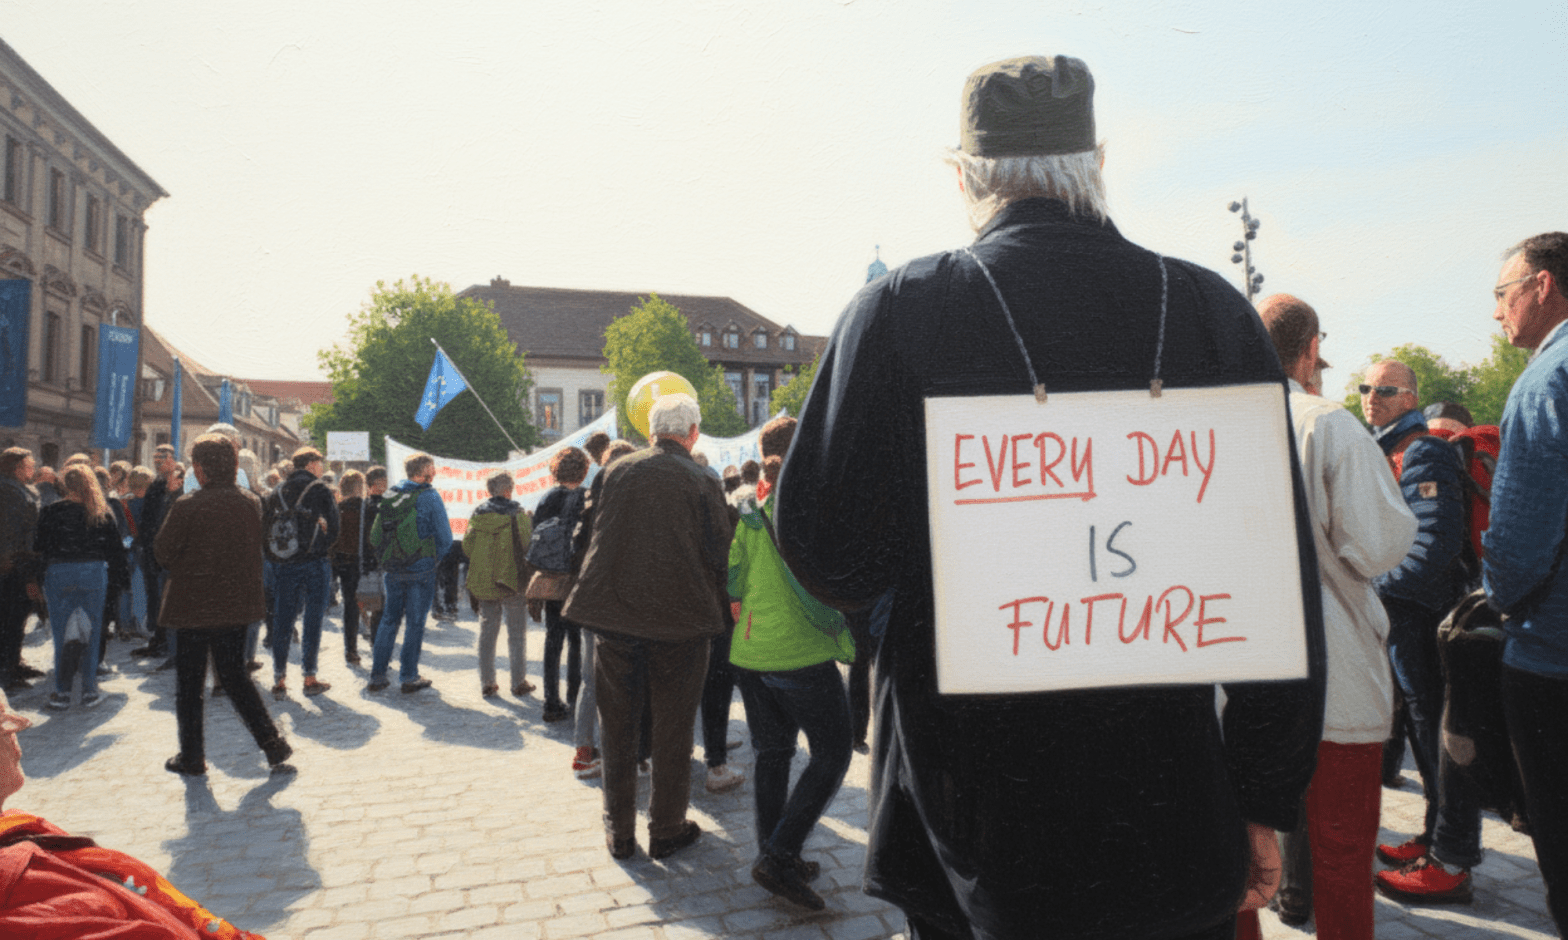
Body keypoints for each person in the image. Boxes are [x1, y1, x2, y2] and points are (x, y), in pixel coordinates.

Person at [773, 56, 1327, 939]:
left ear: (963, 175)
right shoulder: (1213, 311)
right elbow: (1281, 590)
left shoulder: (898, 311)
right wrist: (1262, 796)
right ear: (1096, 162)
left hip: (973, 822)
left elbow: (830, 557)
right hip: (1171, 806)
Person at [1236, 295, 1418, 940]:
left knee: (1237, 870)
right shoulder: (1328, 423)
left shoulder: (1213, 423)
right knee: (1341, 858)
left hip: (1234, 671)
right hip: (1333, 671)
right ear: (1311, 349)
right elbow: (1378, 545)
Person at [564, 394, 731, 861]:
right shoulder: (701, 479)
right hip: (680, 623)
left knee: (615, 727)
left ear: (649, 433)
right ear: (692, 433)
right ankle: (667, 827)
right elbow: (721, 552)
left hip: (614, 616)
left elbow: (591, 535)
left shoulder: (616, 470)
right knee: (673, 729)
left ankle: (619, 832)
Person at [1361, 360, 1479, 903]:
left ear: (1410, 397)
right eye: (1366, 388)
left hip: (1422, 617)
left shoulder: (1423, 449)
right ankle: (1435, 838)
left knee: (1438, 735)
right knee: (1423, 732)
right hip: (1407, 617)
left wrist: (1377, 588)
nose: (1372, 397)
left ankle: (1450, 863)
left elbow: (1433, 543)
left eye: (1385, 390)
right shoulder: (1390, 447)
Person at [729, 415, 856, 910]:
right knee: (833, 752)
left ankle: (773, 851)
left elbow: (733, 580)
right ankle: (780, 853)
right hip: (798, 651)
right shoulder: (804, 506)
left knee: (773, 753)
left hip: (752, 651)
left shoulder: (747, 506)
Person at [1482, 231, 1568, 935]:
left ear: (1542, 286)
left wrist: (1502, 601)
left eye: (1502, 293)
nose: (1498, 312)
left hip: (1553, 653)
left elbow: (1515, 541)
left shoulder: (1546, 380)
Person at [155, 434, 295, 778]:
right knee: (235, 677)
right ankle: (272, 742)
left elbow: (162, 552)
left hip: (193, 605)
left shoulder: (187, 505)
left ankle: (192, 756)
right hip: (235, 604)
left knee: (189, 685)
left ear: (200, 469)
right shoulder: (250, 501)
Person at [31, 465, 129, 710]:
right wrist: (121, 582)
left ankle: (62, 692)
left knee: (61, 634)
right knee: (92, 633)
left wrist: (34, 579)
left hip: (59, 573)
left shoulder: (51, 511)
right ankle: (89, 690)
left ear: (65, 483)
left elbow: (40, 547)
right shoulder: (100, 511)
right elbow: (115, 551)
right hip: (93, 573)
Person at [368, 452, 452, 694]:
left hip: (392, 568)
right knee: (415, 623)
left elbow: (375, 537)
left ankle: (377, 675)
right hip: (421, 568)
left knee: (389, 620)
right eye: (433, 468)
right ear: (424, 471)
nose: (435, 473)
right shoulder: (430, 496)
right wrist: (432, 559)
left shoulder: (391, 493)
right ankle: (408, 676)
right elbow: (445, 538)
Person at [267, 447, 340, 698]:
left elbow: (266, 528)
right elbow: (335, 528)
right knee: (312, 619)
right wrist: (320, 544)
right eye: (320, 462)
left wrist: (277, 556)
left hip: (285, 562)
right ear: (311, 464)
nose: (322, 467)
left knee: (283, 620)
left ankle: (279, 679)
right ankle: (309, 677)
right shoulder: (320, 490)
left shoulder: (277, 490)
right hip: (314, 562)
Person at [463, 470, 534, 698]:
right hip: (511, 581)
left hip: (484, 581)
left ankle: (487, 681)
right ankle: (518, 681)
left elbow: (467, 547)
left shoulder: (477, 515)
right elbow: (526, 545)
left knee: (487, 631)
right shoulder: (519, 515)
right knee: (516, 634)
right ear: (508, 490)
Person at [536, 447, 590, 722]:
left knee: (552, 638)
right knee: (576, 639)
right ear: (583, 471)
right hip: (578, 577)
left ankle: (550, 699)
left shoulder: (547, 498)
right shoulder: (586, 498)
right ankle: (574, 696)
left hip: (553, 578)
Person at [131, 444, 178, 661]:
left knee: (162, 599)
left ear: (172, 458)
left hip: (164, 551)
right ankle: (158, 641)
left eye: (162, 458)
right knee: (154, 597)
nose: (158, 462)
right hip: (151, 549)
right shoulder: (158, 482)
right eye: (156, 458)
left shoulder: (176, 480)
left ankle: (165, 644)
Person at [0, 448, 41, 692]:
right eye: (29, 465)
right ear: (16, 468)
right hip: (12, 564)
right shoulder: (8, 491)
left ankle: (14, 662)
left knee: (19, 616)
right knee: (10, 618)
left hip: (21, 561)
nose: (33, 468)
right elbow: (9, 531)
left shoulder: (20, 488)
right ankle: (8, 669)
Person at [332, 470, 367, 665]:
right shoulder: (366, 508)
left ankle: (351, 649)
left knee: (350, 605)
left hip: (343, 562)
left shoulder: (338, 508)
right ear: (359, 488)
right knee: (375, 602)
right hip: (363, 562)